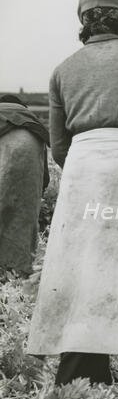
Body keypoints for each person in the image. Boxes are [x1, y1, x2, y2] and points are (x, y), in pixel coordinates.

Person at [27, 0, 118, 384]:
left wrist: (78, 172)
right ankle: (91, 367)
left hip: (80, 165)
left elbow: (59, 144)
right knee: (115, 263)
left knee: (74, 260)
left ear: (84, 24)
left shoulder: (63, 68)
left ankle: (78, 366)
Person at [0, 95, 49, 276]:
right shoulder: (31, 122)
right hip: (30, 145)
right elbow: (44, 176)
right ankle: (17, 272)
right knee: (23, 219)